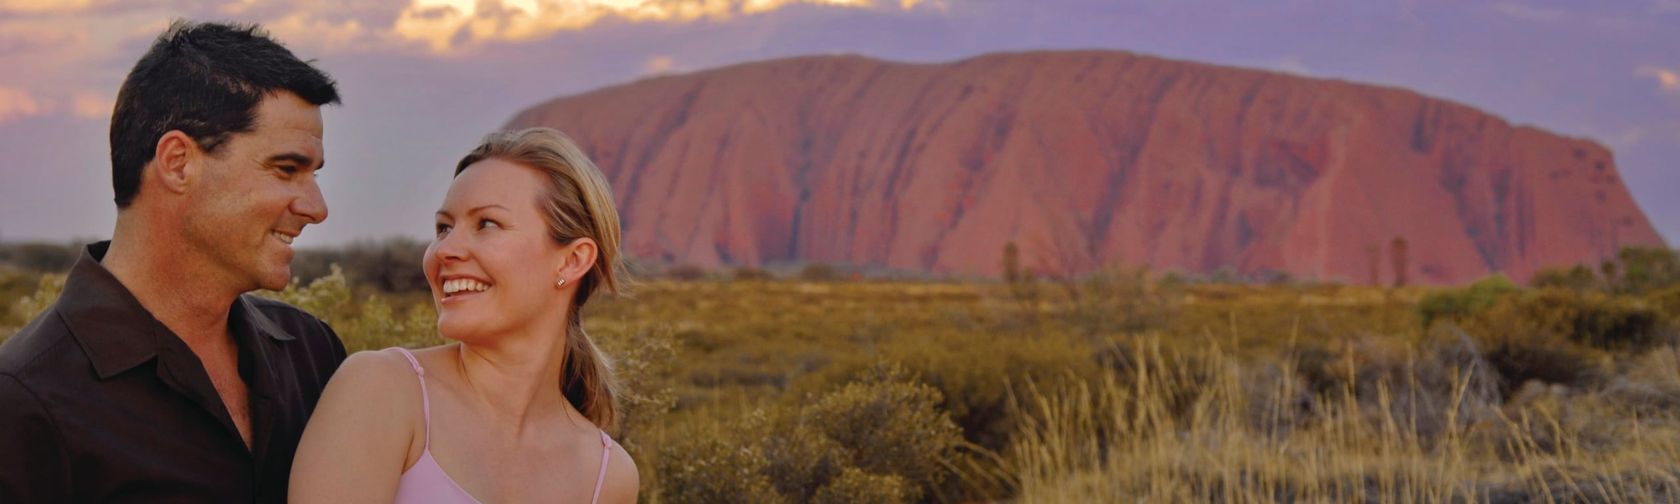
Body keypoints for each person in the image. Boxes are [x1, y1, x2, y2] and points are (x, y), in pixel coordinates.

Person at [0, 20, 347, 502]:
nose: (316, 207)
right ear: (178, 162)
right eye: (287, 169)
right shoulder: (24, 402)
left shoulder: (313, 353)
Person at [290, 128, 638, 503]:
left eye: (487, 223)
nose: (445, 250)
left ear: (573, 260)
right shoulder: (386, 390)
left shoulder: (608, 476)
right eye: (444, 228)